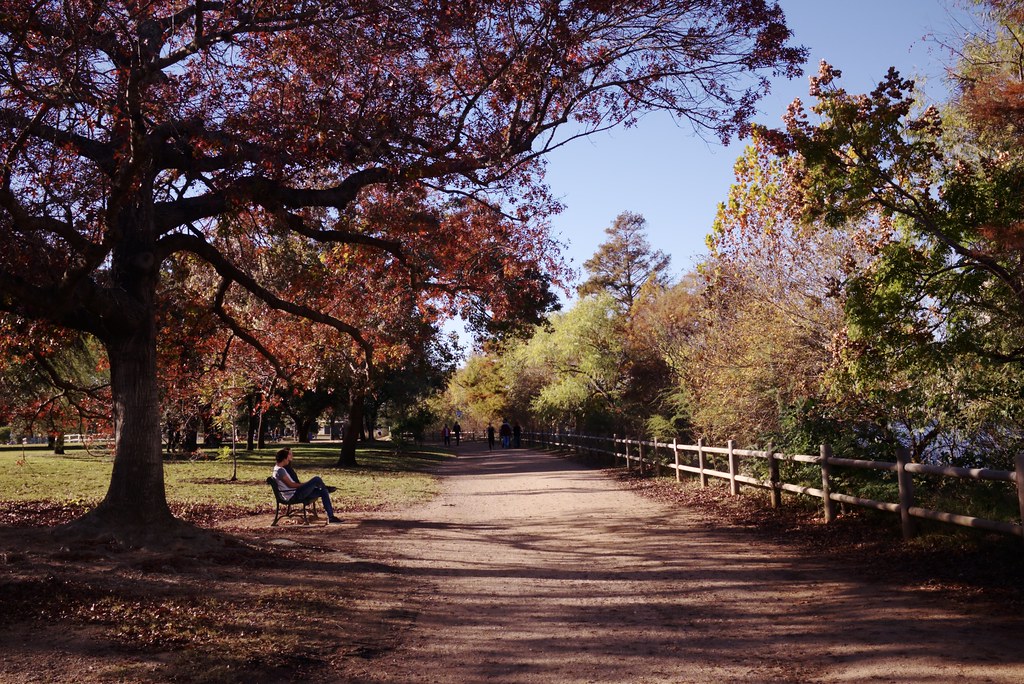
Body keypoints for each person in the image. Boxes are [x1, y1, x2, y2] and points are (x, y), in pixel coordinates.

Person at [272, 447, 342, 524]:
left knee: (323, 491)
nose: (288, 460)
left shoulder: (279, 469)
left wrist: (307, 485)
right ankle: (326, 488)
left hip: (295, 492)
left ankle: (331, 517)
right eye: (287, 458)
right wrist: (306, 484)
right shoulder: (280, 471)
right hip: (293, 495)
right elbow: (291, 485)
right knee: (316, 479)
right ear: (284, 459)